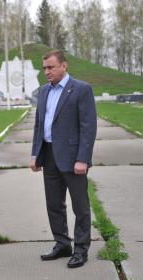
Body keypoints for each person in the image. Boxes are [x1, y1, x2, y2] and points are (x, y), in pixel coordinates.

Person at [30, 50, 97, 268]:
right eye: (44, 68)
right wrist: (35, 154)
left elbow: (88, 128)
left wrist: (83, 159)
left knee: (80, 207)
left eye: (51, 67)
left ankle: (80, 249)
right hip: (48, 157)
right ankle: (62, 244)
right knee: (54, 205)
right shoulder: (42, 92)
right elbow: (39, 125)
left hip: (73, 158)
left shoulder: (81, 90)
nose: (47, 72)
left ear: (64, 66)